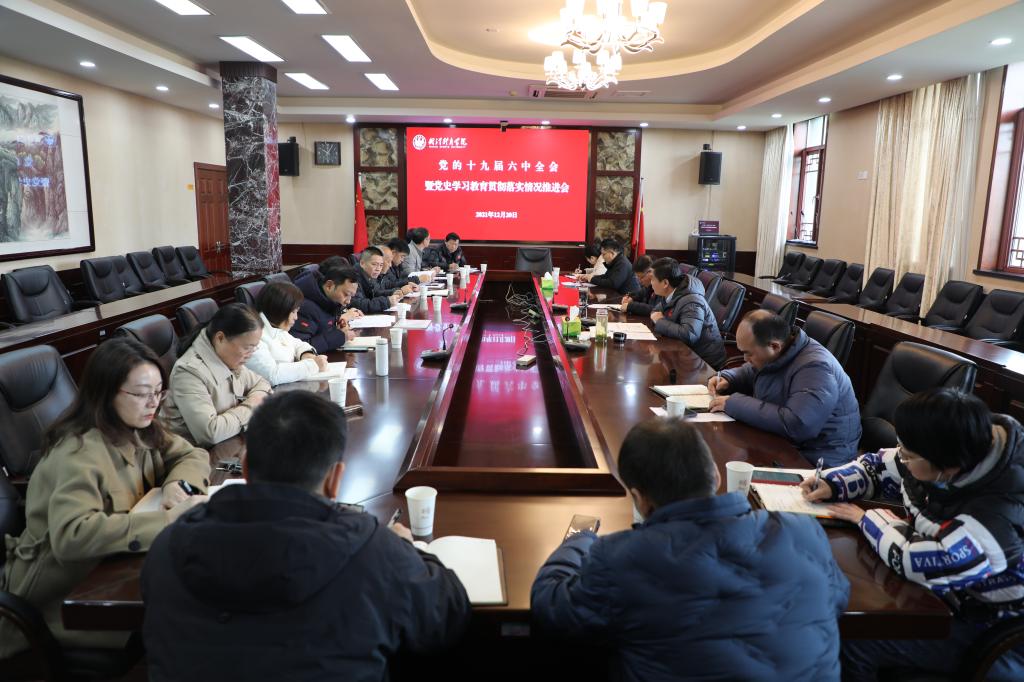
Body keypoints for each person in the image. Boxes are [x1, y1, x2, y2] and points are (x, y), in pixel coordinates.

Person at [141, 391, 472, 681]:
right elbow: (448, 617)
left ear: (245, 466)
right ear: (335, 479)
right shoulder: (374, 552)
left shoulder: (167, 548)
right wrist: (410, 550)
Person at [531, 418, 849, 682]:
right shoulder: (803, 531)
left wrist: (580, 538)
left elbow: (551, 604)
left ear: (640, 499)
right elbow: (837, 598)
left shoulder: (623, 558)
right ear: (716, 475)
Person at [0, 338, 210, 657]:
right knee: (193, 620)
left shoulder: (139, 426)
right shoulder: (78, 453)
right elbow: (72, 536)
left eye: (158, 392)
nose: (153, 403)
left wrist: (176, 484)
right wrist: (167, 520)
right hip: (64, 595)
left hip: (118, 566)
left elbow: (191, 455)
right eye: (141, 394)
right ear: (106, 393)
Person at [799, 389, 1024, 681]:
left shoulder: (1001, 512)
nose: (901, 457)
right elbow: (882, 466)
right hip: (942, 598)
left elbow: (923, 561)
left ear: (950, 467)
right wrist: (833, 483)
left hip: (990, 626)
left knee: (856, 637)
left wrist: (866, 518)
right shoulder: (954, 441)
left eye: (908, 456)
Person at [708, 309, 861, 466]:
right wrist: (729, 378)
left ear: (774, 346)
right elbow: (755, 370)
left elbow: (797, 425)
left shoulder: (816, 367)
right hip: (786, 445)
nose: (745, 359)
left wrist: (733, 403)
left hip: (817, 459)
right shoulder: (782, 351)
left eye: (749, 353)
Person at [162, 303, 272, 447]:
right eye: (247, 348)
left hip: (229, 443)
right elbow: (210, 433)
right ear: (220, 338)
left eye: (254, 348)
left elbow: (261, 383)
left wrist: (255, 400)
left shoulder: (228, 357)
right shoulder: (188, 372)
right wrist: (252, 405)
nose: (250, 354)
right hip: (194, 453)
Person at [246, 281, 329, 386]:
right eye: (293, 312)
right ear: (280, 309)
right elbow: (271, 375)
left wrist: (307, 355)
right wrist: (313, 365)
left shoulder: (276, 328)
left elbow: (298, 344)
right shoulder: (254, 335)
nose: (296, 317)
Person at [649, 259, 727, 369]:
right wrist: (658, 319)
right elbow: (655, 312)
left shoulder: (692, 302)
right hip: (684, 354)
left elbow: (690, 335)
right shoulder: (671, 293)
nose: (650, 282)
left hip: (704, 363)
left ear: (665, 283)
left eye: (652, 279)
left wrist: (660, 321)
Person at [292, 256, 362, 353]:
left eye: (351, 296)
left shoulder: (327, 300)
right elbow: (299, 347)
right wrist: (340, 336)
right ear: (329, 285)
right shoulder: (304, 306)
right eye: (346, 294)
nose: (348, 301)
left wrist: (338, 325)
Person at [351, 246, 402, 314]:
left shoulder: (369, 275)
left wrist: (393, 292)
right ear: (362, 263)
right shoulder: (353, 278)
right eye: (374, 264)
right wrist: (387, 302)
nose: (378, 269)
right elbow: (359, 304)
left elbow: (376, 292)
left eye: (381, 265)